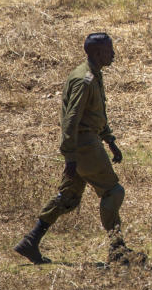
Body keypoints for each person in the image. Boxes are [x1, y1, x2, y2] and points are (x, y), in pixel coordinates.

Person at [14, 33, 133, 264]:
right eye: (109, 50)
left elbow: (95, 113)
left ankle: (31, 241)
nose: (113, 53)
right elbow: (72, 119)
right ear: (98, 53)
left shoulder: (93, 75)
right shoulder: (84, 79)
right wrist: (70, 156)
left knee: (68, 196)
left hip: (86, 144)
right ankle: (117, 250)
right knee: (113, 192)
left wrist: (110, 141)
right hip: (85, 146)